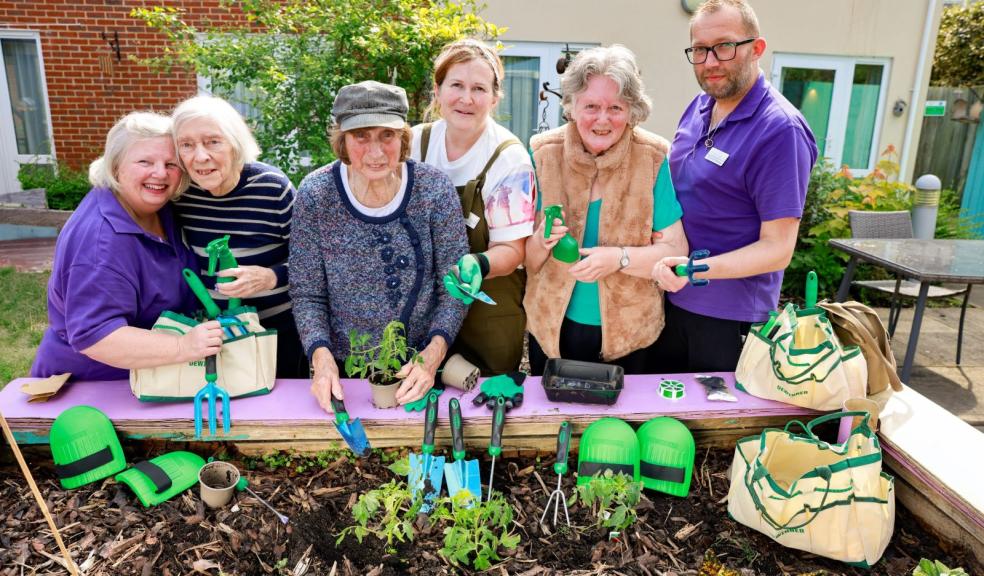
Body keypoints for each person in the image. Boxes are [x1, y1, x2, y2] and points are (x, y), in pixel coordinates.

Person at [650, 0, 818, 373]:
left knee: (714, 430)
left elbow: (777, 249)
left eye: (724, 46)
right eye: (699, 50)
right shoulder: (699, 106)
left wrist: (694, 270)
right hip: (671, 303)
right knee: (665, 421)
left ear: (757, 48)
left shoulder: (779, 130)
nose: (710, 61)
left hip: (728, 321)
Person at [290, 81, 469, 412]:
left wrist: (433, 354)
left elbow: (455, 287)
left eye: (386, 135)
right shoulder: (316, 195)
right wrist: (321, 357)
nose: (375, 152)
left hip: (420, 369)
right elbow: (307, 294)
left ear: (402, 137)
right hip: (346, 374)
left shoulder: (433, 190)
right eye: (361, 136)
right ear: (342, 139)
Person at [524, 45, 688, 376]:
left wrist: (618, 258)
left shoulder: (652, 158)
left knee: (617, 427)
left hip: (630, 335)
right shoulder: (543, 155)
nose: (603, 119)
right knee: (556, 421)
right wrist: (542, 241)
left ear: (632, 110)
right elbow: (527, 260)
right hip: (552, 331)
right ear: (570, 106)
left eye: (615, 107)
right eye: (591, 106)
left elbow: (674, 251)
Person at [31, 112, 224, 381]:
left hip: (153, 378)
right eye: (145, 161)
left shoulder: (156, 207)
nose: (160, 173)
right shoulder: (101, 241)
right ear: (115, 166)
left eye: (171, 163)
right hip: (93, 391)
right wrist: (183, 346)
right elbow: (97, 336)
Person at [411, 39, 536, 376]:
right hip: (420, 307)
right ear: (437, 91)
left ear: (495, 98)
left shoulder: (508, 158)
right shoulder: (415, 144)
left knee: (485, 400)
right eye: (456, 85)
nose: (466, 99)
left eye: (479, 88)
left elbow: (513, 249)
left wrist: (478, 264)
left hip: (487, 311)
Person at [171, 95, 307, 378]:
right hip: (214, 335)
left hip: (276, 332)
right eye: (186, 145)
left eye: (212, 142)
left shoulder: (272, 187)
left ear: (235, 142)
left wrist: (270, 277)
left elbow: (314, 262)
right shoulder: (181, 194)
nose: (200, 156)